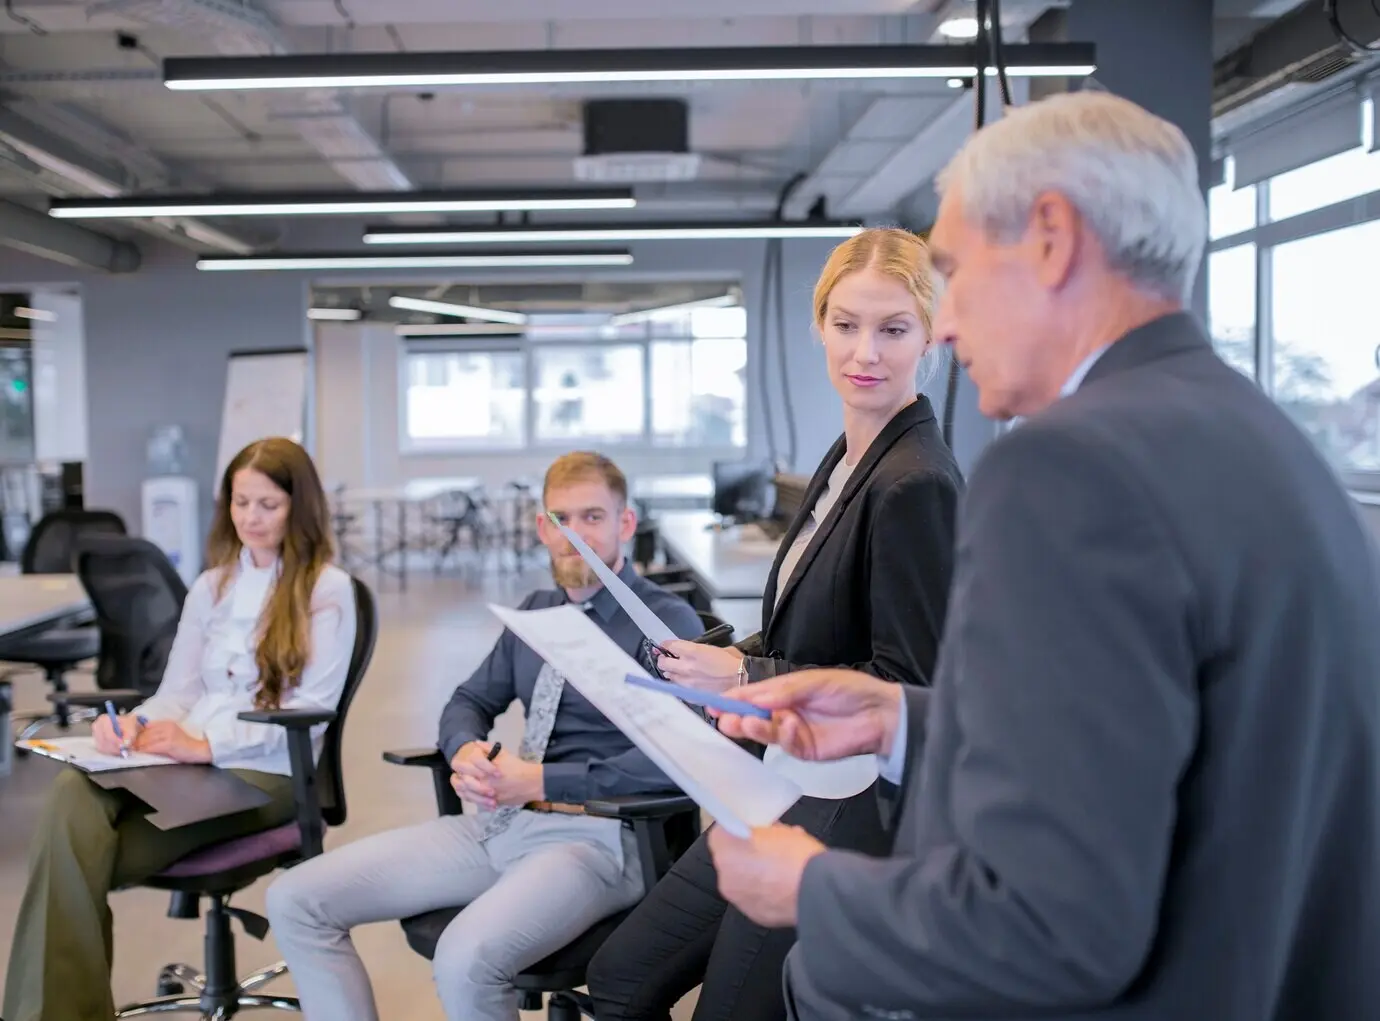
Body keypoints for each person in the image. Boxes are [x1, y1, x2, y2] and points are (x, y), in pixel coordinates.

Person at [705, 90, 1380, 1021]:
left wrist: (811, 889)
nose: (941, 327)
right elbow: (1175, 748)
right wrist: (901, 717)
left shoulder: (1067, 467)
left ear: (1053, 237)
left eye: (954, 268)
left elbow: (1052, 924)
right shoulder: (1265, 437)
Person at [587, 228, 963, 1021]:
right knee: (622, 975)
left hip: (847, 803)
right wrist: (724, 656)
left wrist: (750, 679)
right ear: (818, 323)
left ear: (929, 336)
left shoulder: (915, 483)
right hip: (780, 778)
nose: (866, 351)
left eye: (893, 328)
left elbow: (912, 688)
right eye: (846, 324)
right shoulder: (848, 457)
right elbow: (817, 631)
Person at [265, 451, 704, 1021]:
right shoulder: (536, 612)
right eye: (562, 519)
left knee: (464, 957)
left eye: (593, 517)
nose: (577, 536)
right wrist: (466, 748)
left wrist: (542, 779)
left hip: (598, 838)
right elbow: (469, 701)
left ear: (625, 523)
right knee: (296, 899)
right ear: (543, 528)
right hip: (501, 822)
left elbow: (682, 760)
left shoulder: (664, 623)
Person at [3, 437, 356, 1021]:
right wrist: (131, 726)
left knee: (70, 859)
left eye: (267, 504)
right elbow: (178, 694)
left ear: (300, 506)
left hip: (263, 776)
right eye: (240, 502)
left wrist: (204, 746)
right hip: (190, 768)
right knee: (73, 794)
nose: (251, 518)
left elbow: (313, 713)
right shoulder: (212, 585)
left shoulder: (328, 589)